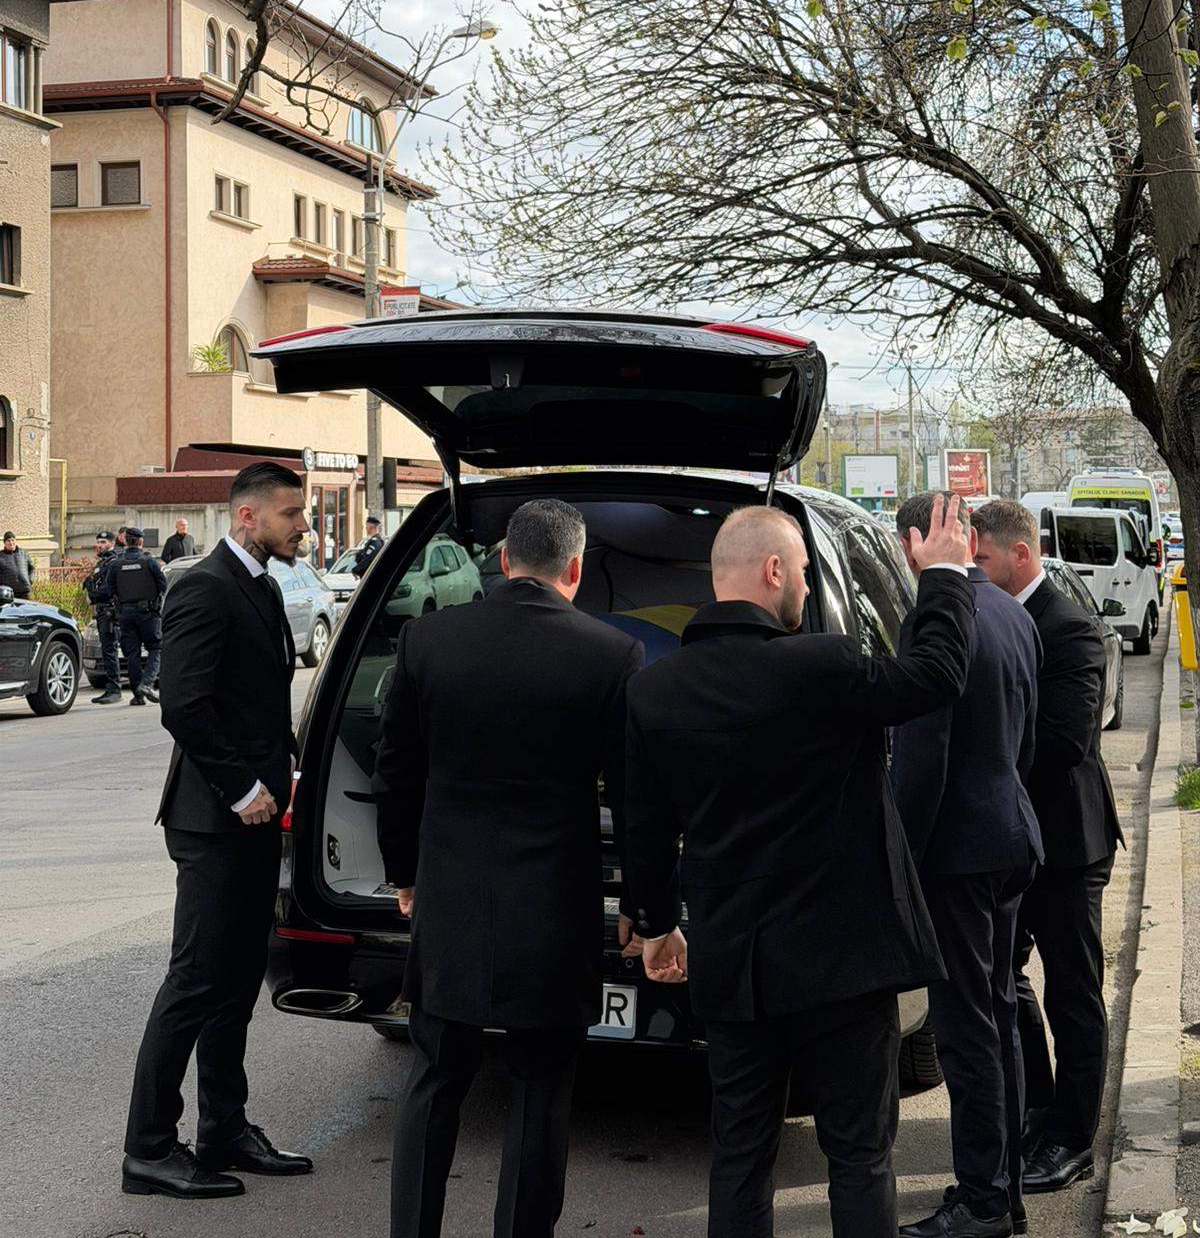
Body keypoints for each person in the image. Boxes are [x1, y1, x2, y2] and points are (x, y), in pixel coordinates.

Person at [623, 496, 976, 1238]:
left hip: (734, 964)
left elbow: (645, 828)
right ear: (774, 569)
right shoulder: (825, 665)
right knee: (857, 1156)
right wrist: (943, 575)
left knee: (740, 1157)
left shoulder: (656, 691)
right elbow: (937, 675)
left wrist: (656, 929)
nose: (809, 588)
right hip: (843, 965)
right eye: (807, 573)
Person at [373, 498, 644, 1238]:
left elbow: (395, 771)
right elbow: (631, 797)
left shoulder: (428, 641)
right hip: (553, 906)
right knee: (540, 1090)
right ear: (576, 569)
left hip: (451, 896)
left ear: (502, 560)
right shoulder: (610, 653)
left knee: (435, 1078)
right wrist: (644, 906)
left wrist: (404, 873)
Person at [122, 461, 312, 1200]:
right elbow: (183, 703)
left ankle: (223, 1129)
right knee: (195, 981)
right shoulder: (203, 585)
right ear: (247, 516)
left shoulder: (260, 584)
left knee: (235, 982)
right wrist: (242, 789)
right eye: (292, 513)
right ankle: (147, 1149)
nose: (302, 525)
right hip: (215, 820)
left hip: (256, 818)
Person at [891, 494, 1043, 1238]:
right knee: (1000, 1018)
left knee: (968, 1031)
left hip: (957, 852)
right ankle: (1002, 1187)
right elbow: (1026, 742)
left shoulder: (935, 618)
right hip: (1010, 836)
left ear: (921, 542)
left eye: (903, 545)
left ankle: (982, 1200)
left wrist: (903, 860)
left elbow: (921, 762)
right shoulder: (1014, 611)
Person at [973, 499, 1123, 1195]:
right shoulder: (990, 617)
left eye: (982, 559)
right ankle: (1039, 1107)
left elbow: (1067, 741)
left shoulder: (1070, 629)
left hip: (1068, 844)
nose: (974, 569)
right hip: (1012, 838)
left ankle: (1073, 1140)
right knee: (1007, 978)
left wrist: (981, 755)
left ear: (1020, 555)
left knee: (1073, 992)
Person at [101, 526, 166, 707]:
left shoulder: (116, 564)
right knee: (156, 648)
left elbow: (110, 589)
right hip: (148, 614)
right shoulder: (149, 562)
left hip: (125, 614)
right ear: (140, 542)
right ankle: (146, 684)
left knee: (132, 655)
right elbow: (163, 585)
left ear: (124, 541)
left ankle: (138, 696)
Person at [84, 529, 123, 703]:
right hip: (102, 611)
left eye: (103, 543)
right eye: (98, 542)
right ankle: (112, 687)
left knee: (110, 650)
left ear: (112, 544)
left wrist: (92, 594)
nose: (99, 545)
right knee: (108, 650)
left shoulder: (113, 562)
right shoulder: (103, 562)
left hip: (109, 611)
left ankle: (114, 688)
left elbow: (109, 589)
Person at [0, 530, 33, 598]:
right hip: (9, 593)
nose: (11, 543)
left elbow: (31, 569)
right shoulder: (1, 556)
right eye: (8, 541)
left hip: (25, 590)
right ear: (4, 543)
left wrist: (30, 581)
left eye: (13, 540)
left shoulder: (24, 553)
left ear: (15, 541)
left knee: (26, 608)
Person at [352, 514, 384, 578]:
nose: (366, 528)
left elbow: (368, 559)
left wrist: (356, 570)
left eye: (367, 526)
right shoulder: (372, 541)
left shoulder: (375, 542)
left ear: (372, 527)